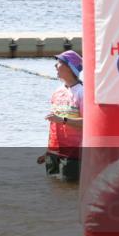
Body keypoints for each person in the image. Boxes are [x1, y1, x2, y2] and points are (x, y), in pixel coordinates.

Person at [40, 50, 84, 182]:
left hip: (74, 154)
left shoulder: (82, 92)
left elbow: (89, 124)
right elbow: (54, 126)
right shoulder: (57, 92)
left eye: (58, 63)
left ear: (69, 68)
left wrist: (62, 120)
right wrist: (48, 151)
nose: (55, 66)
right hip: (53, 154)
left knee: (70, 191)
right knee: (54, 193)